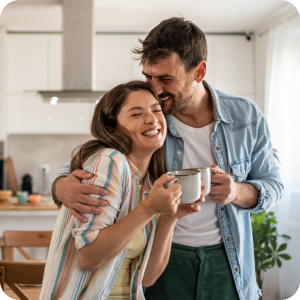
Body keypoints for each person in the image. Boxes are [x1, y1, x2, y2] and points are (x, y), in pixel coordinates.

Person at [50, 18, 283, 300]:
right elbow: (84, 163)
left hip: (228, 259)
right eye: (149, 76)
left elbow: (273, 186)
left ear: (199, 72)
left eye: (166, 79)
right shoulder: (151, 122)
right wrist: (61, 187)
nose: (155, 89)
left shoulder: (245, 117)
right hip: (160, 257)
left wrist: (236, 191)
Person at [40, 80, 204, 300]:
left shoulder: (148, 182)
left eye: (156, 110)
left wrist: (169, 217)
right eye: (136, 114)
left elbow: (147, 278)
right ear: (111, 128)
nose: (151, 119)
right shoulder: (110, 161)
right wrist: (148, 209)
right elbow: (89, 257)